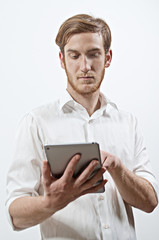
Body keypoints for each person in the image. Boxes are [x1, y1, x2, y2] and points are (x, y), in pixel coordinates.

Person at [6, 14, 158, 240]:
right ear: (61, 59)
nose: (85, 66)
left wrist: (118, 169)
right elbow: (15, 215)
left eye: (93, 54)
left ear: (108, 57)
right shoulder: (36, 122)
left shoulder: (128, 122)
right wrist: (51, 203)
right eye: (74, 55)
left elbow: (150, 202)